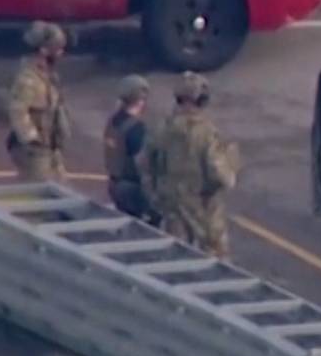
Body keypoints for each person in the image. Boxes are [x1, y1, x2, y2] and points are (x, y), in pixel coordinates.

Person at [140, 72, 240, 258]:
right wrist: (231, 170)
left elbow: (144, 164)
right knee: (214, 258)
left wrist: (155, 196)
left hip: (171, 206)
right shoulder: (207, 133)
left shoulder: (161, 127)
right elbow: (219, 174)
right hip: (202, 207)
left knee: (176, 254)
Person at [7, 21, 73, 181]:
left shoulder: (49, 76)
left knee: (61, 189)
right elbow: (17, 111)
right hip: (36, 153)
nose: (61, 53)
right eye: (57, 49)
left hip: (50, 149)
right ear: (44, 51)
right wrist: (32, 139)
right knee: (39, 195)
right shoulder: (28, 80)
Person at [103, 74, 158, 224]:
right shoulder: (136, 129)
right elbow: (143, 166)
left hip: (114, 185)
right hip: (132, 191)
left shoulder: (113, 122)